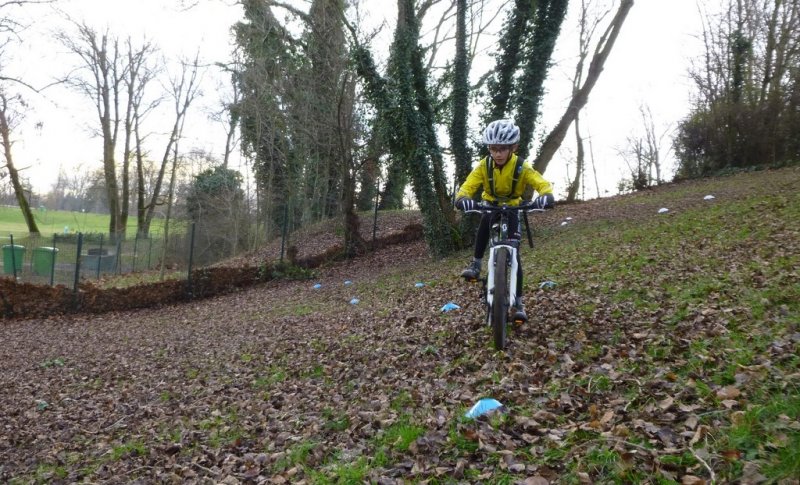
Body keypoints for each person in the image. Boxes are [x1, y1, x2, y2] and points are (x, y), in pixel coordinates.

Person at [454, 119, 554, 323]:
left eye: (502, 149)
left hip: (513, 207)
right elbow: (468, 186)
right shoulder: (484, 165)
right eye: (493, 149)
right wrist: (463, 198)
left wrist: (545, 196)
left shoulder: (521, 166)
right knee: (484, 222)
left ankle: (518, 304)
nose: (497, 153)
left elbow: (541, 183)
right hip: (490, 205)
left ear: (513, 148)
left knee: (515, 254)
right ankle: (476, 263)